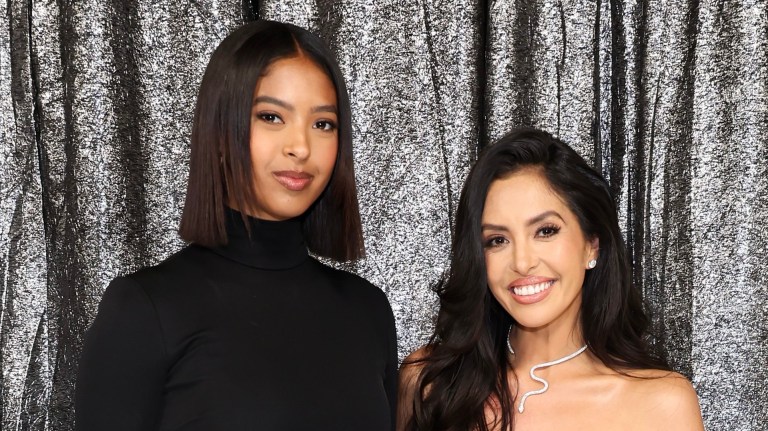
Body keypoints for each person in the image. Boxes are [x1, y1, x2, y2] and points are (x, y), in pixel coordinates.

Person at [76, 20, 397, 431]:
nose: (300, 146)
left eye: (323, 124)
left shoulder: (367, 311)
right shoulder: (144, 310)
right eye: (271, 116)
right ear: (221, 130)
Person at [397, 128, 704, 430]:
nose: (522, 262)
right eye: (497, 240)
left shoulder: (662, 404)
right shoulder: (429, 382)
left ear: (591, 245)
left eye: (545, 231)